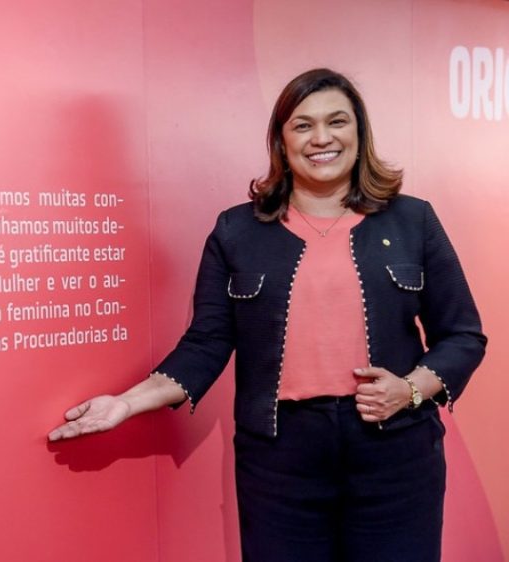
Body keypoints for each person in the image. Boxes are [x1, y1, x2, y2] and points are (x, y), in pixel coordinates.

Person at [48, 68, 486, 562]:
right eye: (302, 125)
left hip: (395, 452)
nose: (321, 138)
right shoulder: (237, 231)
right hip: (280, 459)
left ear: (359, 133)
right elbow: (206, 342)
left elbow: (463, 335)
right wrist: (125, 404)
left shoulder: (412, 220)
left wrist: (409, 390)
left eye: (337, 121)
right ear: (281, 140)